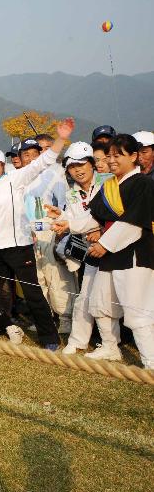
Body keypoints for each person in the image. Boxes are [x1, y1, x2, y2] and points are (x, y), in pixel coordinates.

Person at [0, 118, 75, 350]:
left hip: (19, 246)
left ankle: (49, 338)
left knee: (33, 294)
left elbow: (43, 162)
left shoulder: (13, 179)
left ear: (2, 165)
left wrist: (61, 138)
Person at [47, 142, 120, 360]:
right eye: (72, 167)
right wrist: (60, 216)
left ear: (92, 164)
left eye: (82, 164)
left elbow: (116, 215)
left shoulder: (108, 183)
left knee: (110, 300)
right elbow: (76, 221)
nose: (78, 170)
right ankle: (80, 341)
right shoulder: (71, 194)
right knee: (86, 297)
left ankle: (112, 345)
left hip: (115, 248)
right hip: (92, 252)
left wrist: (100, 230)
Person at [87, 134, 154, 368]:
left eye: (118, 155)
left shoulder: (145, 183)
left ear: (133, 156)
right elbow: (92, 216)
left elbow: (134, 223)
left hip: (135, 253)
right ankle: (110, 347)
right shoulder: (109, 185)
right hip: (110, 254)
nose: (111, 160)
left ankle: (151, 361)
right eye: (109, 155)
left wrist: (104, 244)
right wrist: (65, 222)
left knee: (138, 310)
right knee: (100, 302)